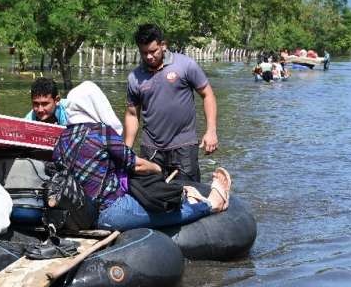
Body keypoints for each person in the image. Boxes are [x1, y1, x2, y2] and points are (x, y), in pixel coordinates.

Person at [53, 81, 231, 231]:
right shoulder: (101, 132)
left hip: (78, 216)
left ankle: (186, 195)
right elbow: (136, 164)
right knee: (168, 214)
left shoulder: (62, 138)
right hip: (111, 213)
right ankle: (210, 205)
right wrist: (157, 168)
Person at [124, 24, 218, 182]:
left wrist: (211, 131)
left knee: (189, 196)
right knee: (150, 197)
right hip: (151, 150)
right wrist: (126, 150)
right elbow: (132, 115)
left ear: (163, 45)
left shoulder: (185, 65)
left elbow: (208, 95)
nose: (148, 57)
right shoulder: (135, 78)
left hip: (184, 147)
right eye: (144, 52)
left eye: (153, 51)